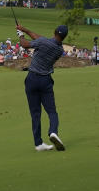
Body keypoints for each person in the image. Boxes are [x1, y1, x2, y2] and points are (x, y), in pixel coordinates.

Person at [16, 23, 68, 152]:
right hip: (45, 81)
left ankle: (38, 143)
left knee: (35, 113)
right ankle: (53, 132)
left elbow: (25, 44)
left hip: (32, 79)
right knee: (52, 111)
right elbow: (39, 38)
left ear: (54, 31)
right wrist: (25, 29)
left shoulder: (43, 42)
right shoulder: (59, 50)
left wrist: (21, 35)